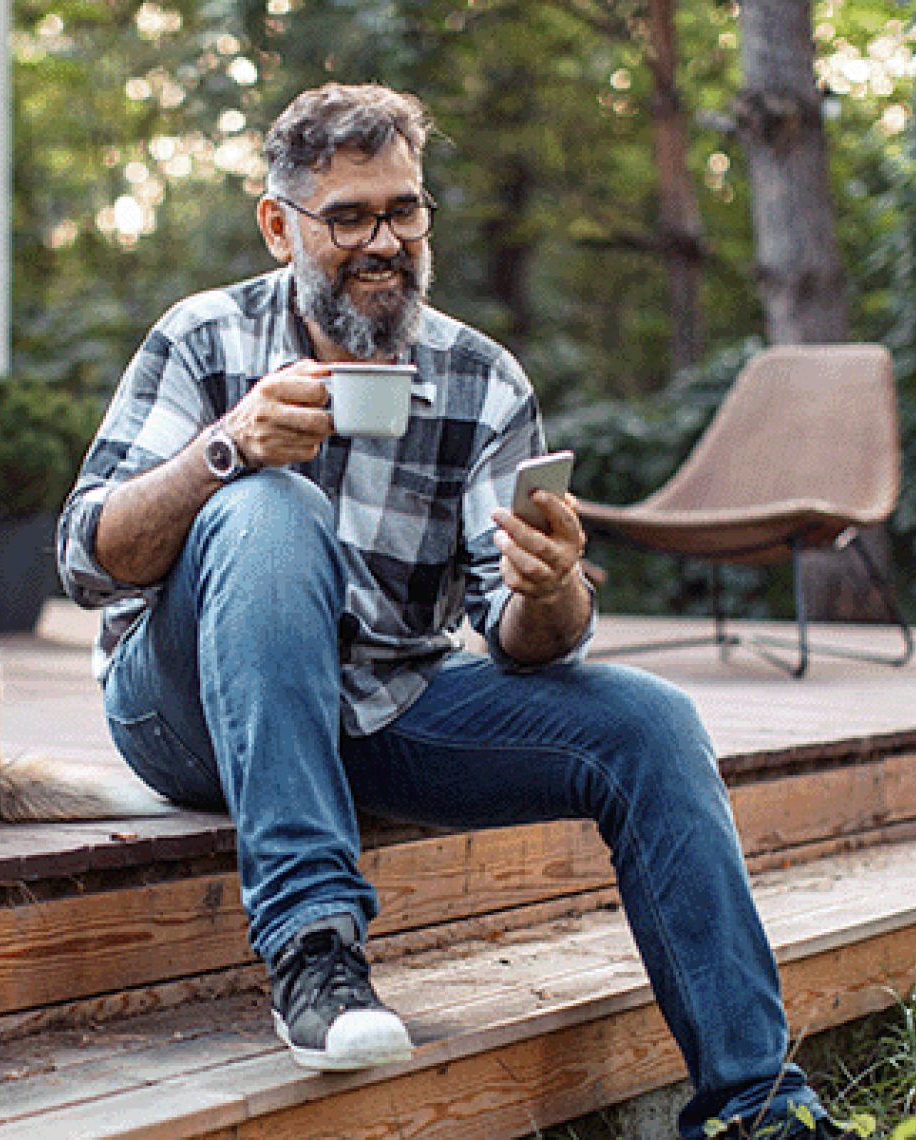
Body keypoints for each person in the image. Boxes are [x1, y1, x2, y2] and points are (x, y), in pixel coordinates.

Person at [57, 82, 848, 1140]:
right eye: (347, 217)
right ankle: (313, 950)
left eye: (403, 210)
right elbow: (84, 558)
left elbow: (524, 643)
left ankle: (753, 1107)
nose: (382, 242)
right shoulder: (203, 339)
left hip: (380, 709)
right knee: (268, 507)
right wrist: (224, 451)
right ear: (277, 222)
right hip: (183, 710)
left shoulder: (479, 378)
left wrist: (546, 586)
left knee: (649, 724)